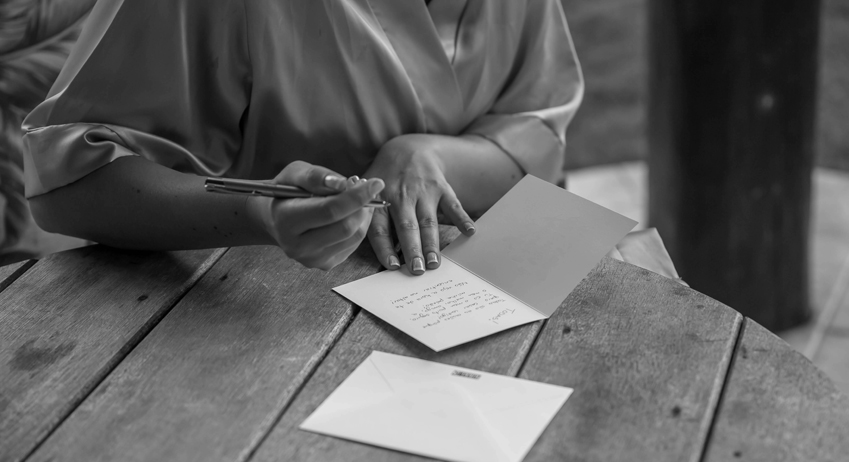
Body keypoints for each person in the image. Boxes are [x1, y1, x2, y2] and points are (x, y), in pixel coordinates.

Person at [22, 0, 583, 274]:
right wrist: (258, 212)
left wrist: (425, 153)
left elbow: (537, 130)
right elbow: (67, 183)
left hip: (479, 297)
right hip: (250, 323)